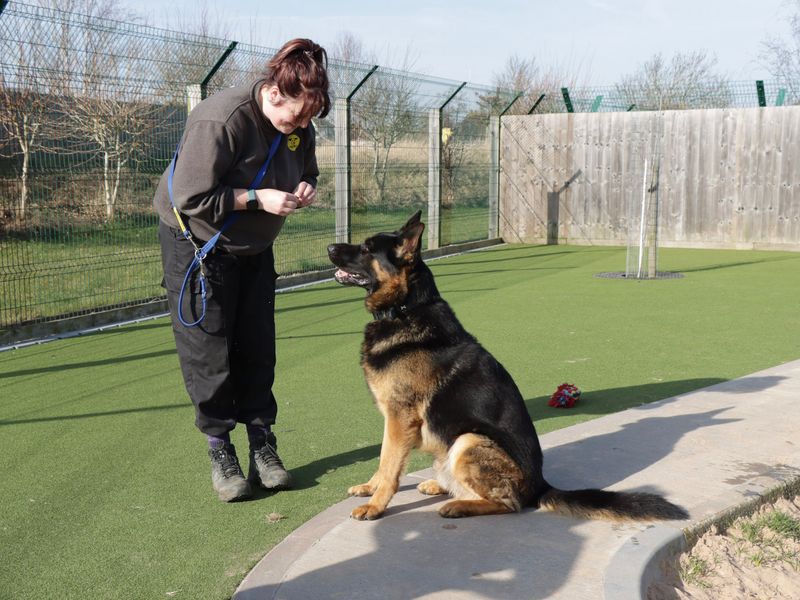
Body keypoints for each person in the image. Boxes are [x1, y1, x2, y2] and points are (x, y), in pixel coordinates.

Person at [153, 38, 330, 502]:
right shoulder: (221, 119)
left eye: (310, 117)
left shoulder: (298, 123)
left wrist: (306, 185)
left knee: (257, 345)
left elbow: (306, 166)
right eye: (297, 114)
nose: (303, 125)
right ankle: (220, 447)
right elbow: (190, 197)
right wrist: (257, 198)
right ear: (274, 92)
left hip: (254, 247)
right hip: (197, 244)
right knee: (208, 348)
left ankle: (262, 443)